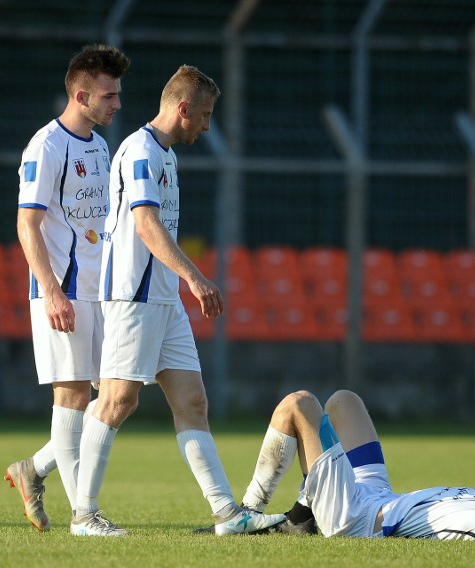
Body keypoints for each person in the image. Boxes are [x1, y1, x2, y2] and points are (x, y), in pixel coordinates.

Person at [70, 64, 285, 536]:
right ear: (182, 108)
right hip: (133, 295)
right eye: (204, 115)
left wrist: (181, 284)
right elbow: (146, 223)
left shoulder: (166, 155)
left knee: (192, 401)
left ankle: (227, 514)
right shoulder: (140, 150)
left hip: (163, 301)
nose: (207, 126)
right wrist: (195, 277)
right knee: (117, 401)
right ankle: (84, 515)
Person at [5, 44, 130, 535]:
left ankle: (32, 470)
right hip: (64, 290)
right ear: (81, 95)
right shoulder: (46, 146)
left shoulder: (99, 146)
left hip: (101, 292)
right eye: (109, 95)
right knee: (73, 393)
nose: (117, 104)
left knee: (111, 397)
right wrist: (52, 291)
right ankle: (85, 514)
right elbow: (26, 225)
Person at [232, 389, 475, 541]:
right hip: (378, 495)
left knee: (300, 404)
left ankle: (248, 512)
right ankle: (303, 515)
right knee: (344, 402)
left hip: (354, 516)